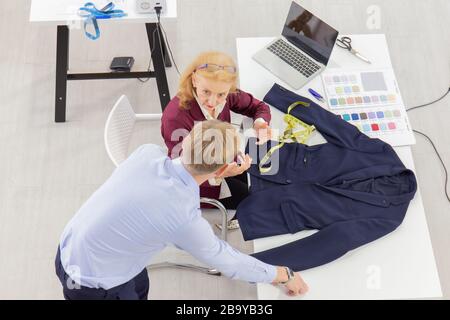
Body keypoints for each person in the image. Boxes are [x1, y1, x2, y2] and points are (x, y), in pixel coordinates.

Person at [54, 120, 309, 300]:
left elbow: (177, 181)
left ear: (186, 140)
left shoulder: (147, 153)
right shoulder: (183, 220)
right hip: (94, 284)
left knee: (139, 286)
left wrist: (217, 173)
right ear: (221, 169)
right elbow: (228, 261)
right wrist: (281, 274)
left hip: (72, 248)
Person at [161, 51, 273, 230]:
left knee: (267, 177)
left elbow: (259, 107)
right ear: (194, 80)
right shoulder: (176, 118)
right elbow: (183, 174)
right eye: (206, 92)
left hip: (224, 158)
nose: (213, 102)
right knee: (257, 197)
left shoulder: (224, 93)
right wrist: (220, 174)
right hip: (202, 184)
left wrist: (260, 123)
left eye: (221, 94)